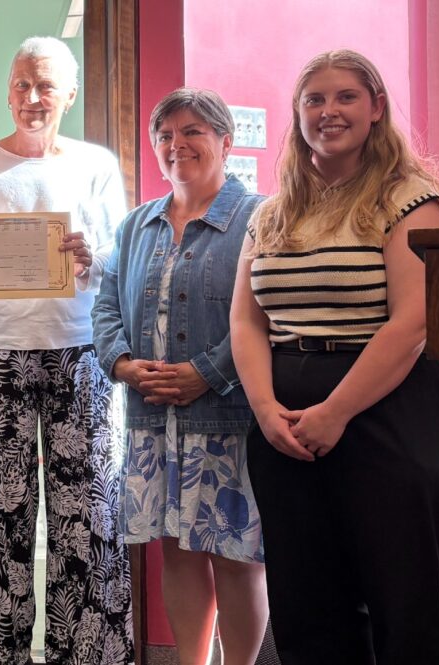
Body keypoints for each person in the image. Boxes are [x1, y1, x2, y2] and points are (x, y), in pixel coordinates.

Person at [230, 49, 439, 665]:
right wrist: (265, 410)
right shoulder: (272, 212)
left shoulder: (412, 199)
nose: (328, 111)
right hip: (284, 425)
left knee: (406, 606)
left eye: (346, 97)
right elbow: (246, 320)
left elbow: (413, 322)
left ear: (376, 108)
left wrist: (335, 412)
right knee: (307, 609)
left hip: (388, 414)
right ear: (297, 113)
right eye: (315, 99)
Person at [0, 36, 132, 665]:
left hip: (80, 351)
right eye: (21, 84)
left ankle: (89, 654)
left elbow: (120, 263)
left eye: (45, 85)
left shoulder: (96, 164)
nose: (32, 97)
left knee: (89, 513)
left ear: (68, 95)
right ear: (7, 92)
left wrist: (92, 257)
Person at [91, 88, 267, 665]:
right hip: (152, 421)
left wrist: (206, 374)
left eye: (193, 131)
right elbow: (105, 307)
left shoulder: (261, 217)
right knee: (177, 552)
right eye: (165, 135)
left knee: (236, 558)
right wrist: (122, 363)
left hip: (228, 418)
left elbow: (267, 314)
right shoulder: (136, 225)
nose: (177, 144)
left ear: (225, 141)